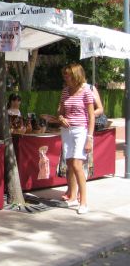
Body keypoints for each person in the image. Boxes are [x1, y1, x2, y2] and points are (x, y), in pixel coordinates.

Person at [56, 63, 95, 215]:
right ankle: (73, 195)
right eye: (64, 74)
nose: (65, 77)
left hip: (81, 131)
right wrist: (60, 117)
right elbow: (60, 110)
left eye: (68, 74)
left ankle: (83, 201)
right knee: (70, 163)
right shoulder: (65, 91)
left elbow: (91, 116)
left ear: (76, 74)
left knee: (78, 164)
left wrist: (89, 138)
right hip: (66, 131)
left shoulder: (86, 91)